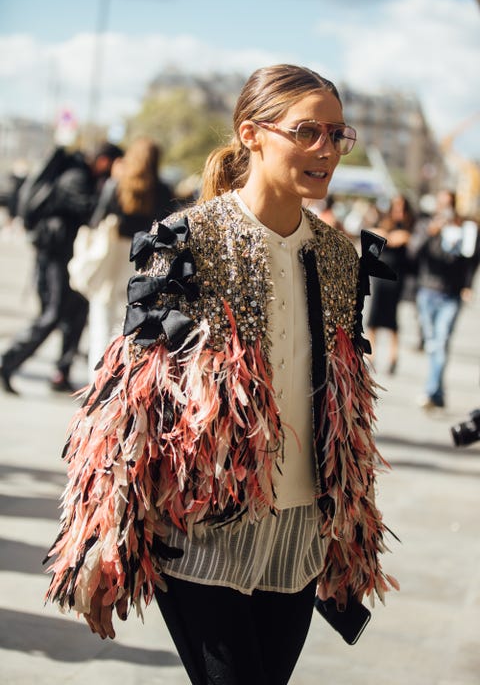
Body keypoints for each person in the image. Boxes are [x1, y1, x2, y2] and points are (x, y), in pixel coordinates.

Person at [44, 64, 398, 685]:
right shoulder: (185, 244)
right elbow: (128, 404)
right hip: (201, 530)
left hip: (299, 537)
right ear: (252, 134)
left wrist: (349, 531)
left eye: (336, 134)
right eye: (307, 131)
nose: (326, 149)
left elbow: (345, 409)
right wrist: (102, 538)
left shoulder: (342, 258)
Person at [0, 142, 123, 395]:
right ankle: (8, 361)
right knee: (52, 314)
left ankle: (61, 373)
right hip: (55, 257)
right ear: (103, 161)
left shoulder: (83, 176)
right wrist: (111, 189)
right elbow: (91, 213)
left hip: (67, 256)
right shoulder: (76, 178)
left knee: (77, 313)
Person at [86, 137, 175, 377]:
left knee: (101, 320)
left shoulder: (117, 185)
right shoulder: (163, 190)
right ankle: (118, 377)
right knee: (128, 323)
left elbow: (95, 220)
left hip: (111, 255)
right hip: (143, 260)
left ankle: (96, 379)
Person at [408, 189, 478, 409]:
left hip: (451, 294)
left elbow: (472, 260)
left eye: (449, 204)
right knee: (433, 344)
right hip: (427, 291)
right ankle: (437, 392)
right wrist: (431, 232)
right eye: (442, 204)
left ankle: (431, 391)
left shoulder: (464, 229)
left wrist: (467, 285)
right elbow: (413, 251)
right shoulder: (425, 225)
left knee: (440, 342)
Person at [366, 194, 416, 374]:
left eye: (402, 207)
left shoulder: (411, 225)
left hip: (397, 276)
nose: (399, 211)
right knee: (374, 316)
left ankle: (393, 357)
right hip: (380, 275)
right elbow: (368, 234)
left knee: (392, 318)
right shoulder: (383, 222)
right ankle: (371, 356)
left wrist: (406, 238)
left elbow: (416, 247)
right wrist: (383, 234)